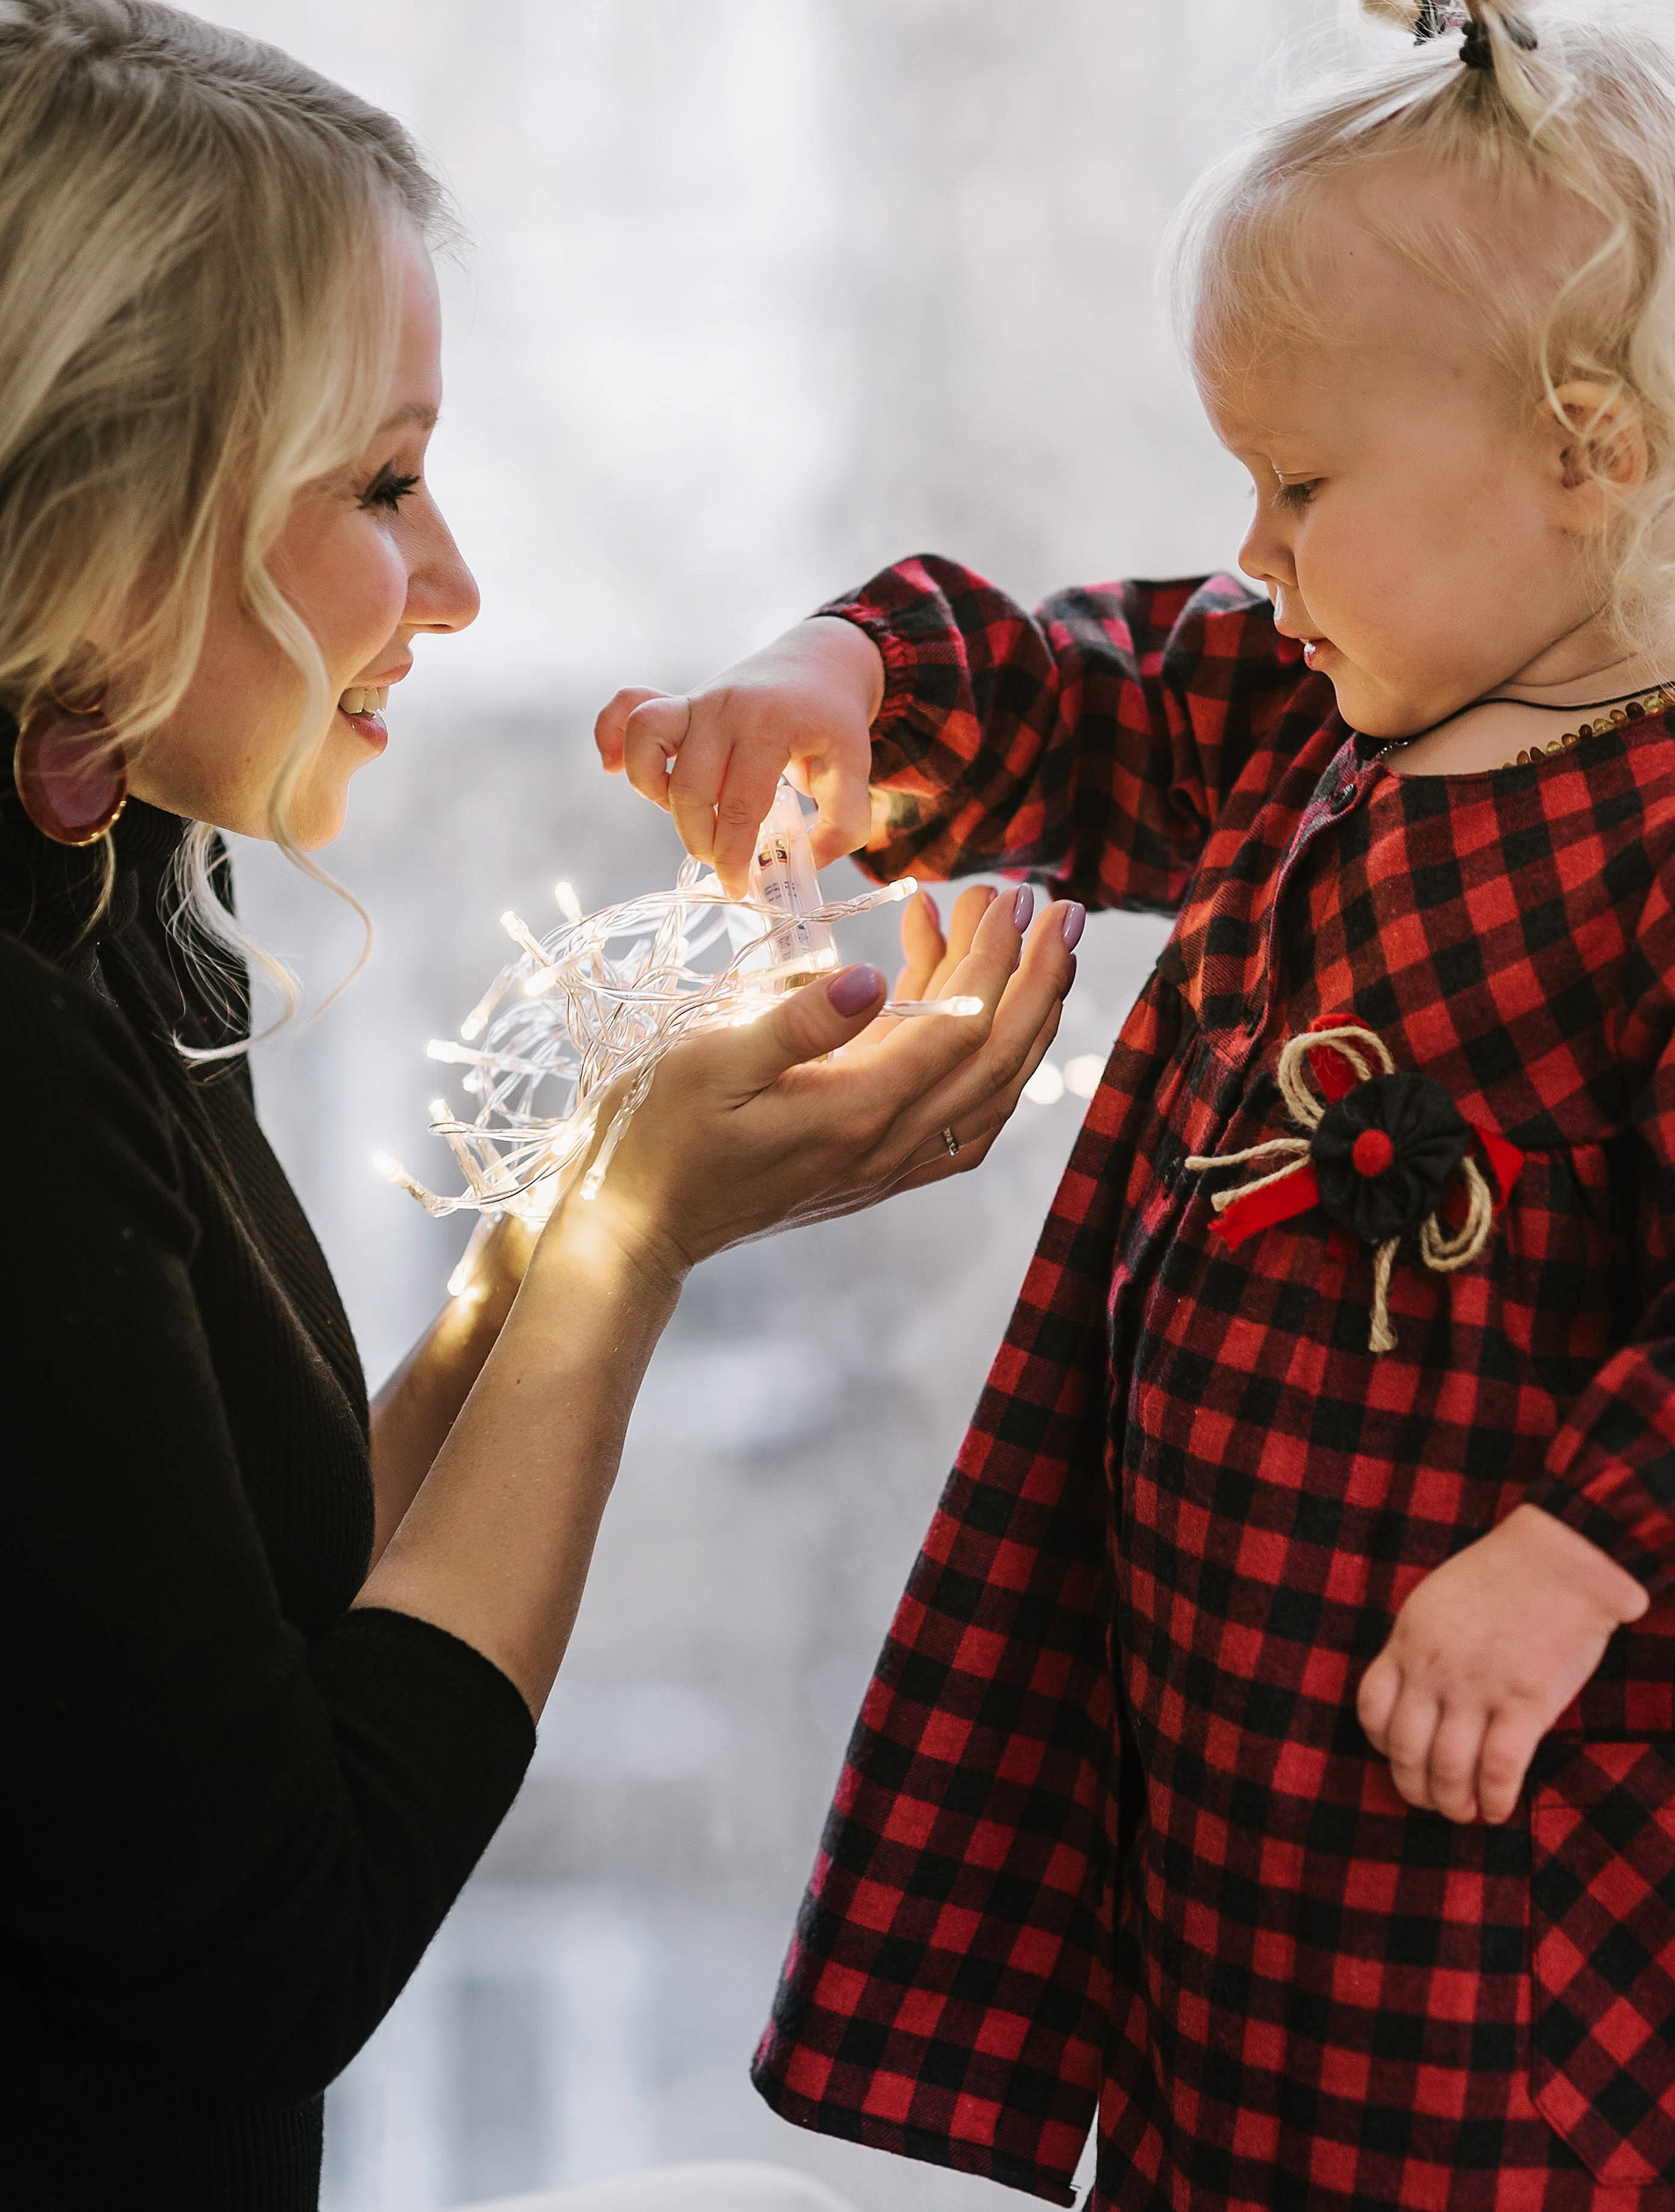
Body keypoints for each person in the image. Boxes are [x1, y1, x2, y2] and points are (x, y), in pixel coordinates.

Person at [0, 4, 1081, 2208]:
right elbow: (260, 1943)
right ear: (106, 502)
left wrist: (573, 1224)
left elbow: (257, 1623)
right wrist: (631, 1245)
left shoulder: (111, 896)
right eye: (382, 485)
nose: (458, 583)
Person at [594, 3, 1675, 2203]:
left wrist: (1584, 1550)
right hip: (1210, 1780)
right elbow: (1077, 693)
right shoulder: (1312, 716)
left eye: (1298, 488)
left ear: (1585, 450)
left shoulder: (1648, 840)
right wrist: (851, 676)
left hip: (1490, 1835)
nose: (1254, 558)